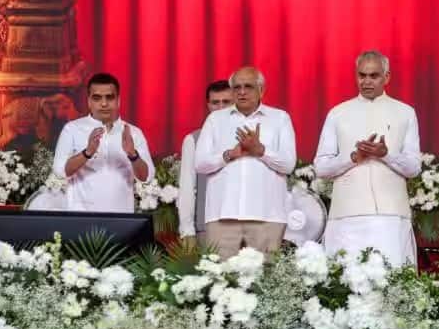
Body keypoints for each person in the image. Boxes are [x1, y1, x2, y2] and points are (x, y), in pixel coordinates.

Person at [314, 50, 422, 266]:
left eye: (374, 76)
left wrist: (385, 155)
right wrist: (354, 157)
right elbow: (321, 167)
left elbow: (413, 168)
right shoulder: (338, 113)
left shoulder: (405, 112)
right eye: (362, 75)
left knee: (392, 279)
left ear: (387, 77)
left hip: (390, 214)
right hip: (347, 214)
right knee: (343, 284)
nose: (366, 81)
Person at [194, 66, 297, 259]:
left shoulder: (279, 119)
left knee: (265, 283)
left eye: (248, 86)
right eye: (237, 87)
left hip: (267, 215)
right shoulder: (215, 120)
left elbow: (288, 164)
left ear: (261, 90)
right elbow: (200, 164)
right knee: (219, 281)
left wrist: (261, 151)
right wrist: (229, 155)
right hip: (222, 216)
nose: (241, 92)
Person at [51, 73, 153, 212]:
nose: (104, 103)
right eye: (97, 98)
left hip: (121, 218)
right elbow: (60, 171)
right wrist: (87, 153)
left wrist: (132, 154)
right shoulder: (72, 129)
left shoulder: (133, 133)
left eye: (109, 97)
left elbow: (146, 177)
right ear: (89, 101)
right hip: (81, 216)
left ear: (118, 100)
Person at [178, 80, 233, 246]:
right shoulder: (193, 140)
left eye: (226, 102)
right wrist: (187, 231)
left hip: (245, 225)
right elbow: (187, 188)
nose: (221, 107)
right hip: (206, 227)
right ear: (208, 105)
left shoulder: (248, 139)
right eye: (216, 102)